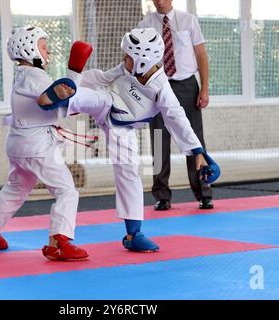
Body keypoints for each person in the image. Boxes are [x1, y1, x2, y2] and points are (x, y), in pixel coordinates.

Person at [38, 28, 220, 253]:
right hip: (108, 101)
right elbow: (104, 78)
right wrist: (76, 82)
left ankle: (133, 234)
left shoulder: (161, 88)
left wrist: (197, 152)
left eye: (128, 56)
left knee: (129, 173)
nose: (124, 60)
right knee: (95, 98)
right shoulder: (127, 68)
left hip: (123, 128)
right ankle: (60, 99)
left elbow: (177, 119)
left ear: (143, 61)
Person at [0, 26, 89, 261]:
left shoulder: (21, 75)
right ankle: (59, 241)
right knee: (66, 190)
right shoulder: (35, 76)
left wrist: (69, 87)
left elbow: (56, 101)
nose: (48, 53)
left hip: (18, 143)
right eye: (43, 47)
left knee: (17, 188)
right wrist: (73, 76)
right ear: (29, 48)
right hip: (37, 146)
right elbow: (47, 98)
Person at [138, 0, 214, 211]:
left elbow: (201, 55)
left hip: (187, 86)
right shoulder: (144, 26)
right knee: (159, 141)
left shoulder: (189, 20)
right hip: (157, 86)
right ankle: (162, 195)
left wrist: (204, 88)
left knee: (195, 138)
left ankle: (204, 192)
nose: (159, 1)